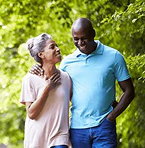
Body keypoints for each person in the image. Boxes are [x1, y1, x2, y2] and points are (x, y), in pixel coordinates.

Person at [30, 18, 135, 148]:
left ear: (93, 34)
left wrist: (112, 116)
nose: (80, 43)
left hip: (104, 126)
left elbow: (129, 91)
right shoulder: (67, 63)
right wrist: (38, 66)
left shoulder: (114, 56)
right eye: (76, 39)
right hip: (77, 129)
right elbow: (55, 85)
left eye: (83, 38)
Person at [20, 33, 72, 148]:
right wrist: (47, 88)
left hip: (60, 138)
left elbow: (76, 104)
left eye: (57, 46)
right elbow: (31, 113)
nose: (58, 49)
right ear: (41, 54)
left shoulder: (66, 78)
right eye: (52, 47)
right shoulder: (30, 79)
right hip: (36, 141)